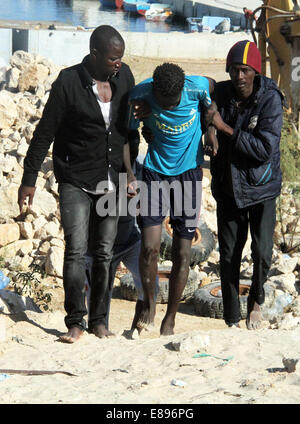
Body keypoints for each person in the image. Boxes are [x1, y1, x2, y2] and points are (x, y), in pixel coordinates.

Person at [17, 25, 138, 343]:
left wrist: (129, 175)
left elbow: (129, 132)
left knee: (105, 253)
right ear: (95, 55)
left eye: (121, 58)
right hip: (75, 180)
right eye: (113, 58)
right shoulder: (69, 82)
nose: (119, 64)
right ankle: (75, 322)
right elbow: (45, 133)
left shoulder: (124, 79)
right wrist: (29, 179)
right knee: (76, 251)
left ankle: (99, 321)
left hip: (112, 180)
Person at [129, 63, 213, 336]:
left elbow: (215, 90)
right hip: (154, 173)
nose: (167, 107)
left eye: (172, 103)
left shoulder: (196, 86)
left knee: (182, 252)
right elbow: (128, 132)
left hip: (188, 174)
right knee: (150, 247)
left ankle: (171, 318)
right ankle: (149, 305)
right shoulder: (141, 94)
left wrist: (210, 125)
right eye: (161, 104)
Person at [205, 40, 283, 330]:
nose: (239, 77)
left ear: (255, 72)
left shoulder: (270, 100)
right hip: (228, 188)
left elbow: (263, 148)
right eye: (234, 70)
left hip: (261, 188)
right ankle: (231, 317)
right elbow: (206, 97)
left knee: (262, 252)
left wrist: (222, 127)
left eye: (245, 71)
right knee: (228, 254)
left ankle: (256, 302)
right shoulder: (223, 93)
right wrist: (210, 127)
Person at [85, 154, 159, 334]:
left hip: (131, 240)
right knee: (99, 297)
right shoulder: (99, 167)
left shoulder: (141, 167)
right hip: (100, 246)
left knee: (151, 284)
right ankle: (100, 331)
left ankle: (136, 329)